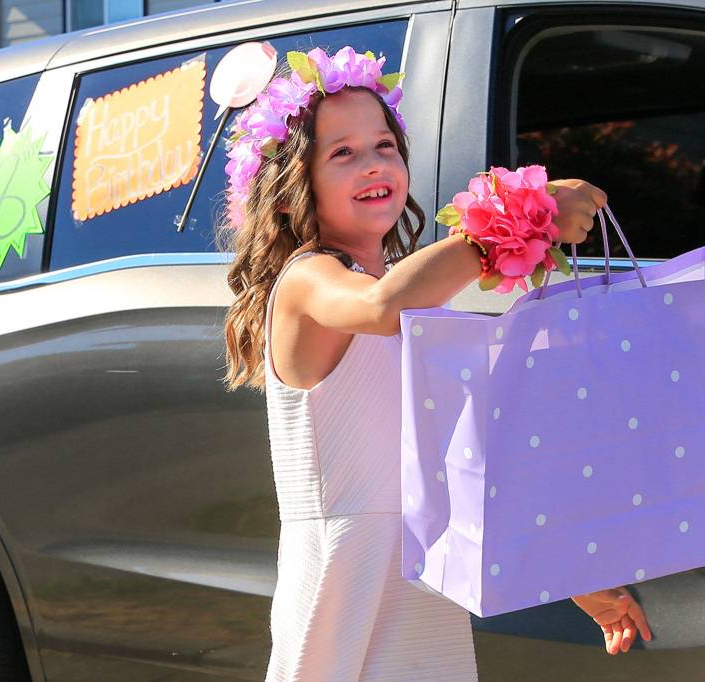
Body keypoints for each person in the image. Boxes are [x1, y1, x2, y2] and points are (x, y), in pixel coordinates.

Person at [218, 46, 653, 680]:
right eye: (343, 153)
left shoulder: (407, 293)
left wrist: (568, 574)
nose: (373, 163)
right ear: (287, 195)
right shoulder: (308, 280)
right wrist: (519, 218)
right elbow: (380, 307)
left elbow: (454, 471)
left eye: (384, 145)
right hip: (344, 577)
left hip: (414, 578)